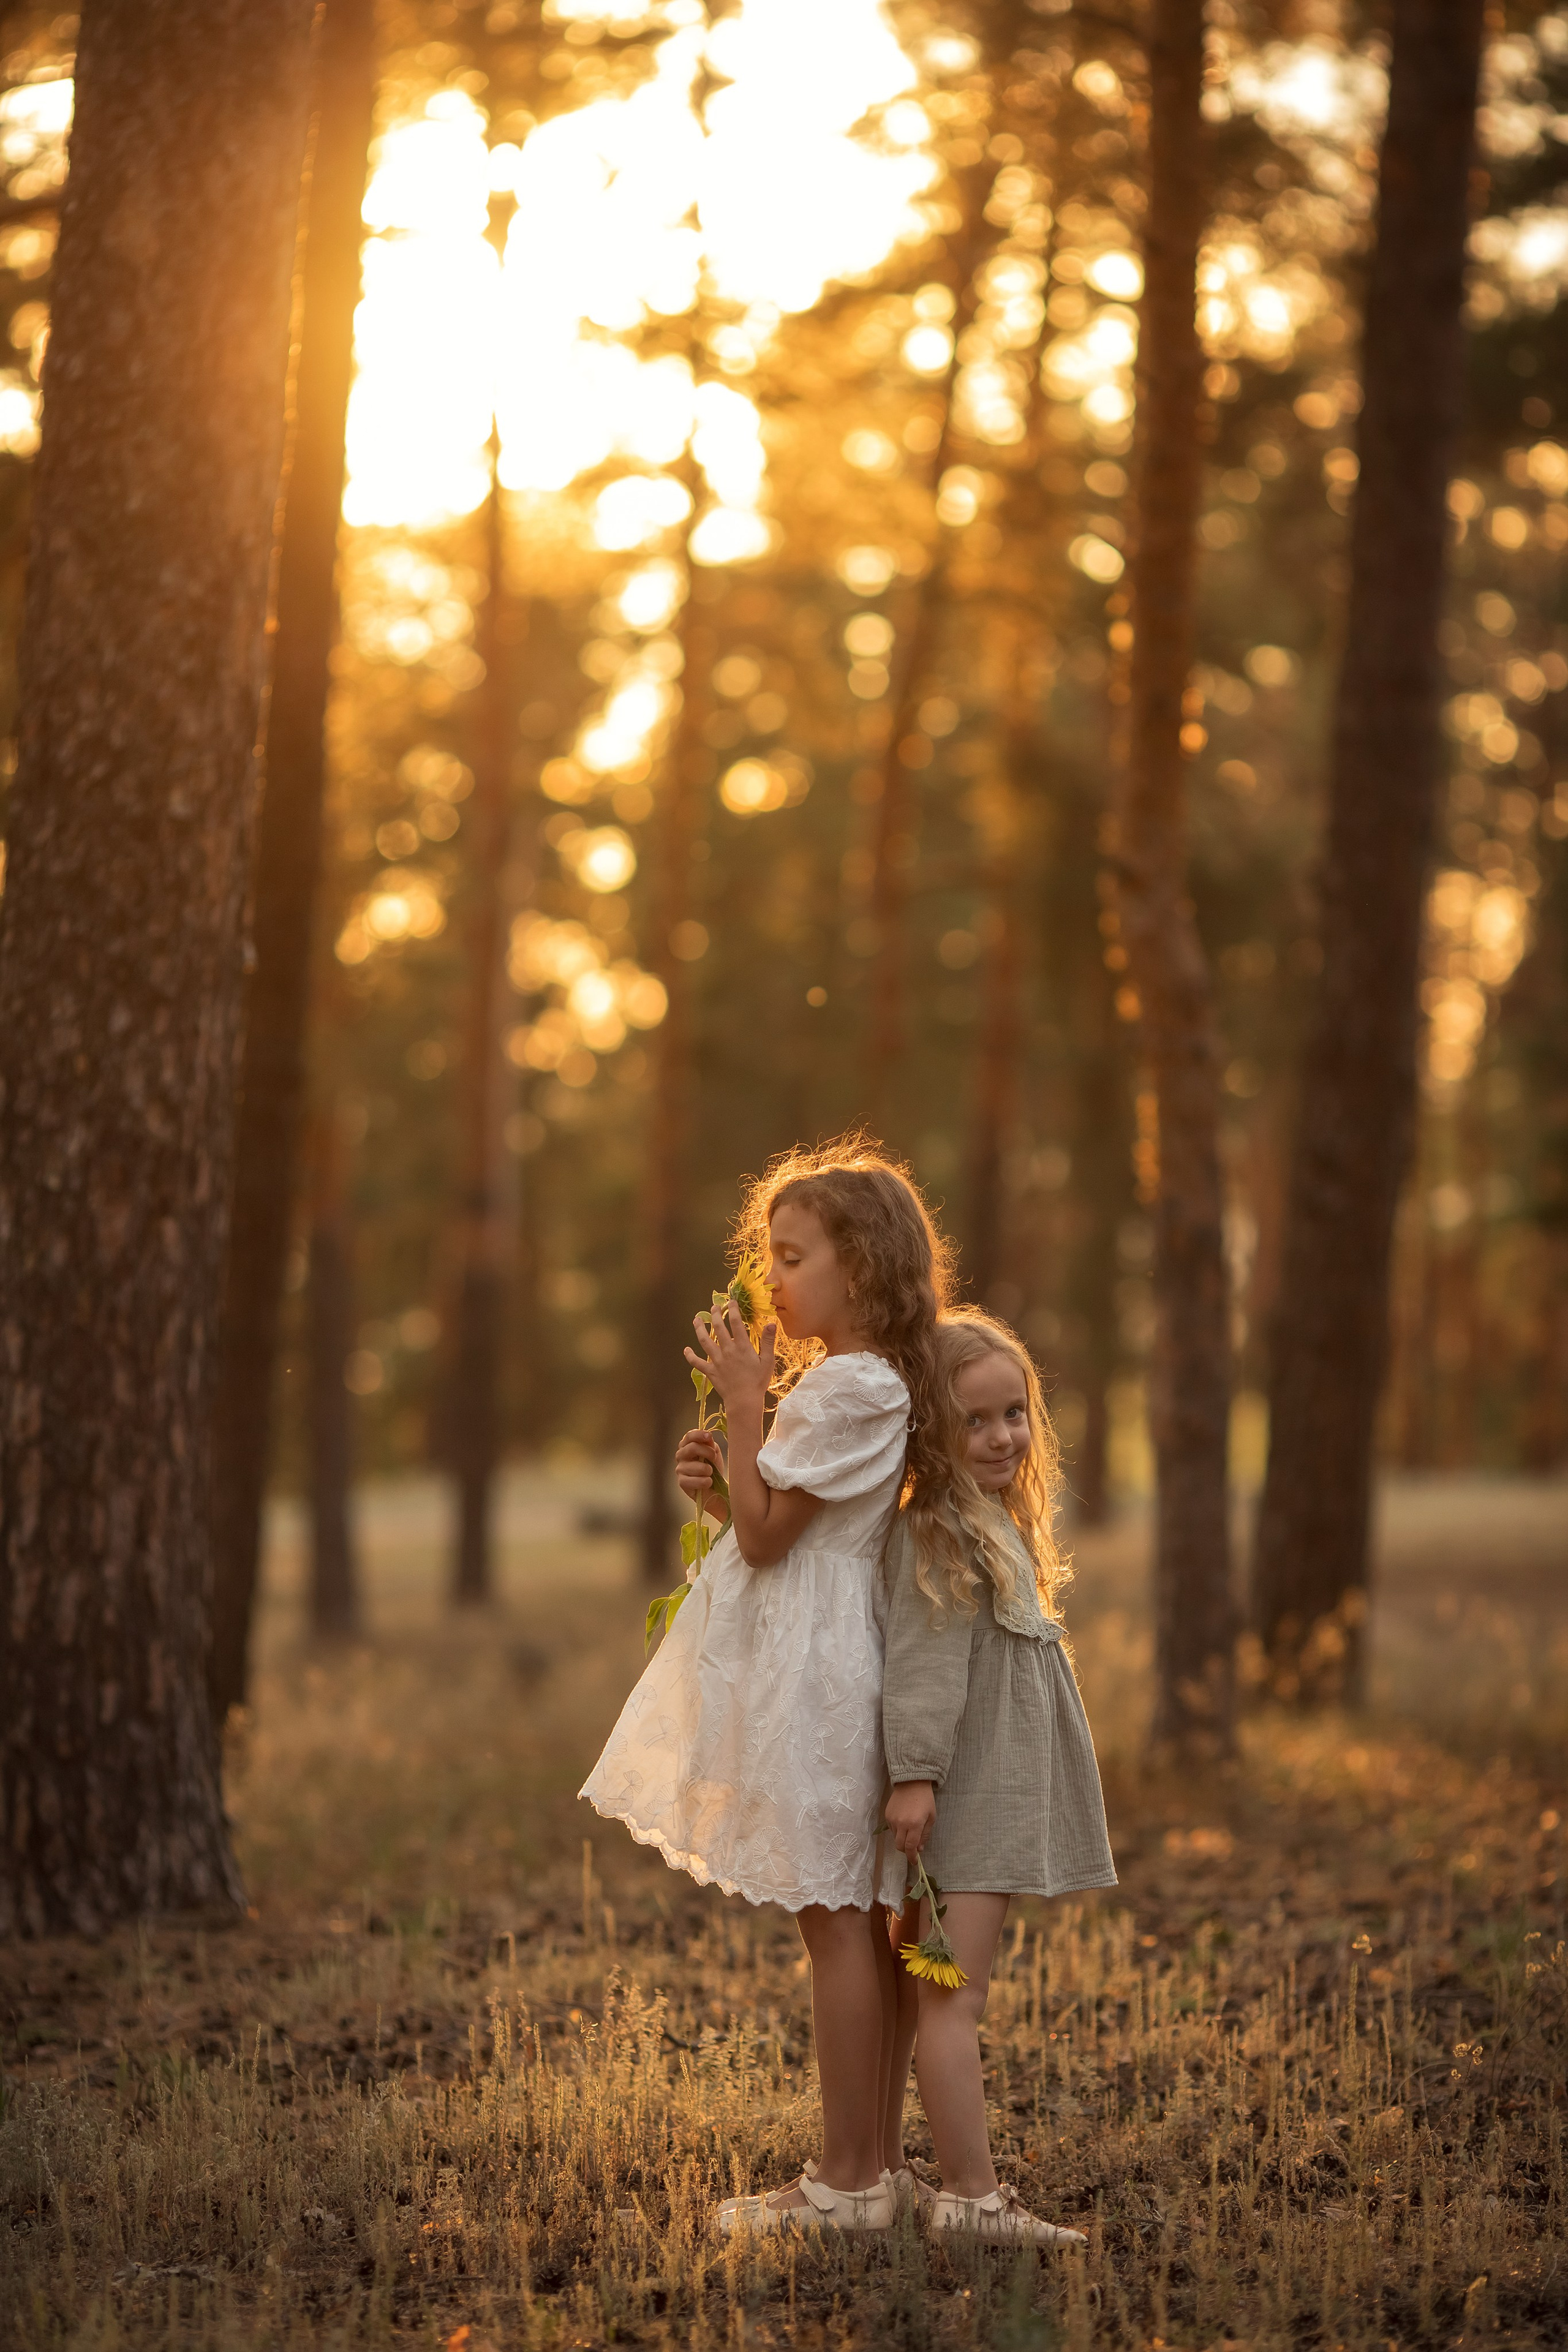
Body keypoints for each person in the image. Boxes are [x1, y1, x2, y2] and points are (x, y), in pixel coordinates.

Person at [581, 1139, 954, 2235]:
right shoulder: (865, 1383)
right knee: (857, 1919)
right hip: (830, 1651)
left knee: (835, 1920)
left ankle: (846, 2181)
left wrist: (748, 1408)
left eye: (794, 1259)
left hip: (823, 1676)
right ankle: (872, 2169)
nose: (771, 1280)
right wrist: (721, 1484)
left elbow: (767, 1540)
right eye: (770, 1255)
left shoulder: (846, 1385)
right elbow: (769, 1527)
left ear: (863, 1267)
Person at [880, 1306, 1116, 2247]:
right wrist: (915, 1776)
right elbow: (923, 1664)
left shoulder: (989, 1521)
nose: (1000, 1437)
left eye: (1013, 1414)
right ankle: (971, 2199)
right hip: (962, 1804)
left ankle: (906, 2175)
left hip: (984, 1797)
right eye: (972, 1420)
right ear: (930, 1431)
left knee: (936, 1993)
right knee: (953, 1998)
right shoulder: (938, 1530)